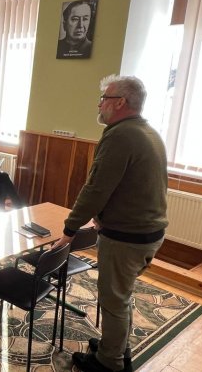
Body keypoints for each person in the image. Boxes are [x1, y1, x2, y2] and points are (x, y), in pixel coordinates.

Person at [52, 75, 167, 372]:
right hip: (148, 232)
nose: (99, 104)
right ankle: (114, 346)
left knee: (113, 301)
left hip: (127, 236)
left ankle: (110, 362)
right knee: (121, 296)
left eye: (104, 98)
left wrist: (69, 230)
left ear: (120, 102)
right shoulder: (147, 131)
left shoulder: (120, 135)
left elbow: (96, 188)